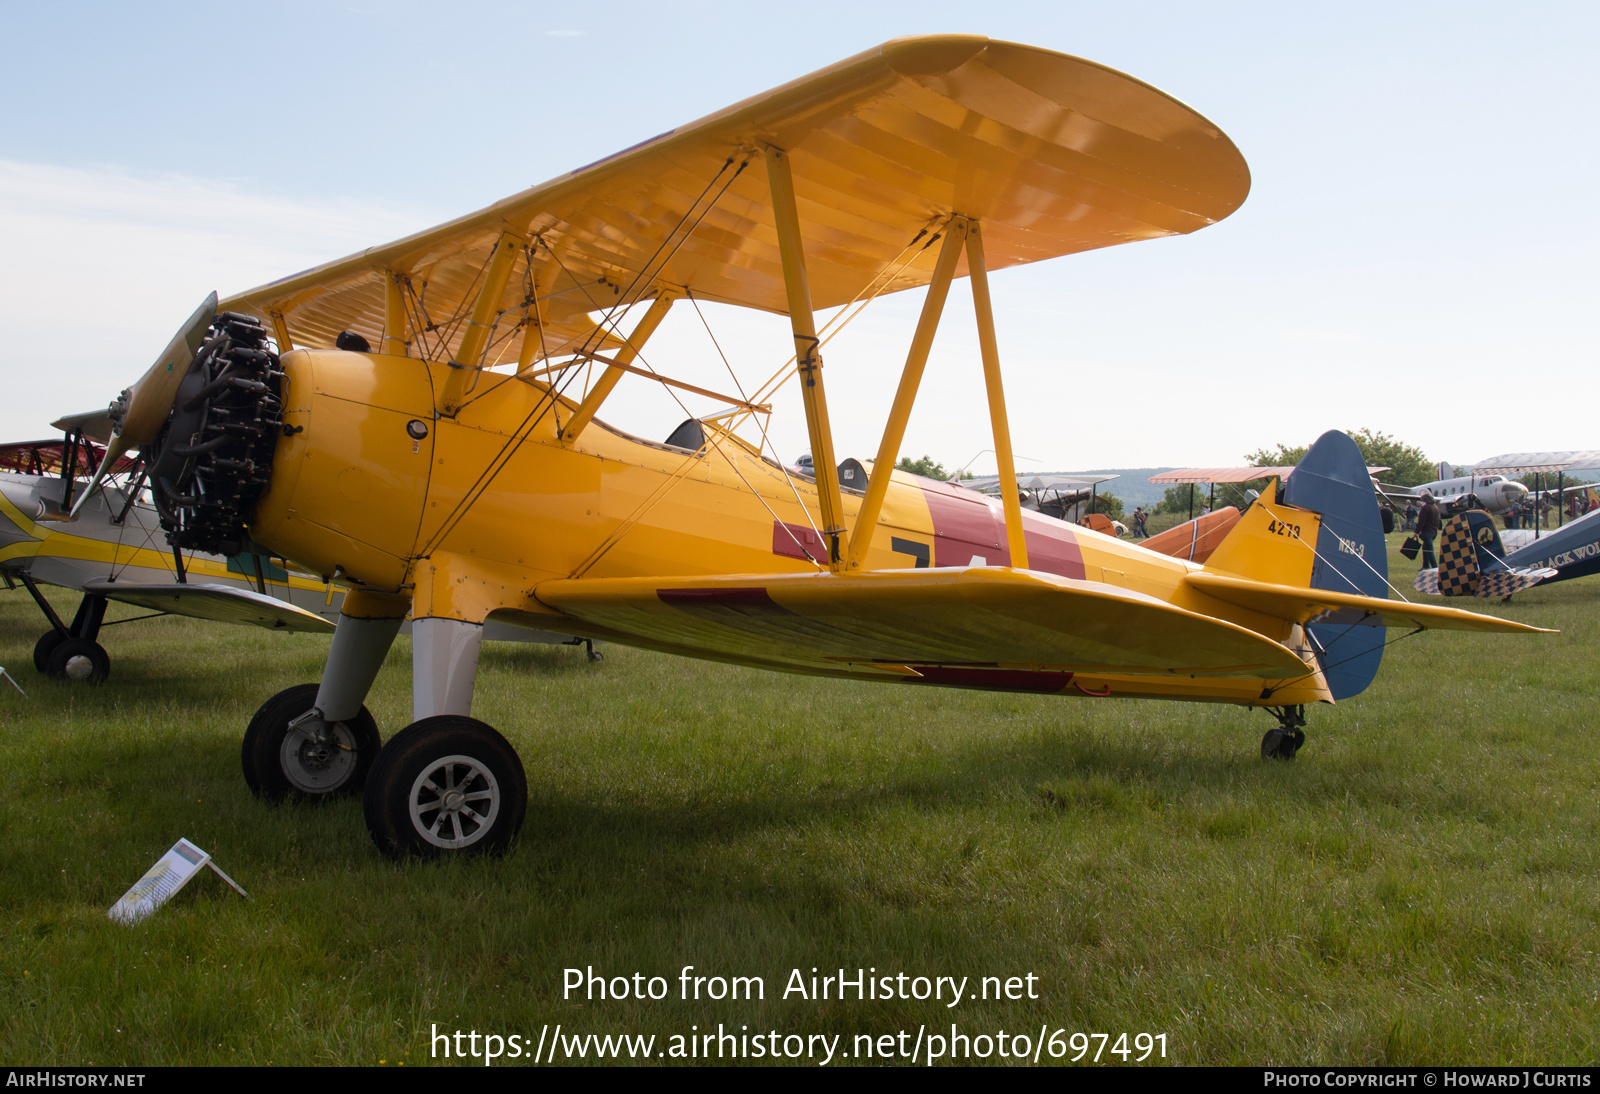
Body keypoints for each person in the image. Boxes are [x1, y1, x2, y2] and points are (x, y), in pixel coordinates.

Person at [1416, 492, 1441, 570]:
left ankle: (1434, 566)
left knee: (1429, 550)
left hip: (1427, 531)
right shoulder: (1435, 508)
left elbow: (1421, 521)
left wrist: (1417, 531)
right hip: (1434, 531)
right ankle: (1425, 565)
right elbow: (1438, 520)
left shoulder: (1425, 508)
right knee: (1425, 547)